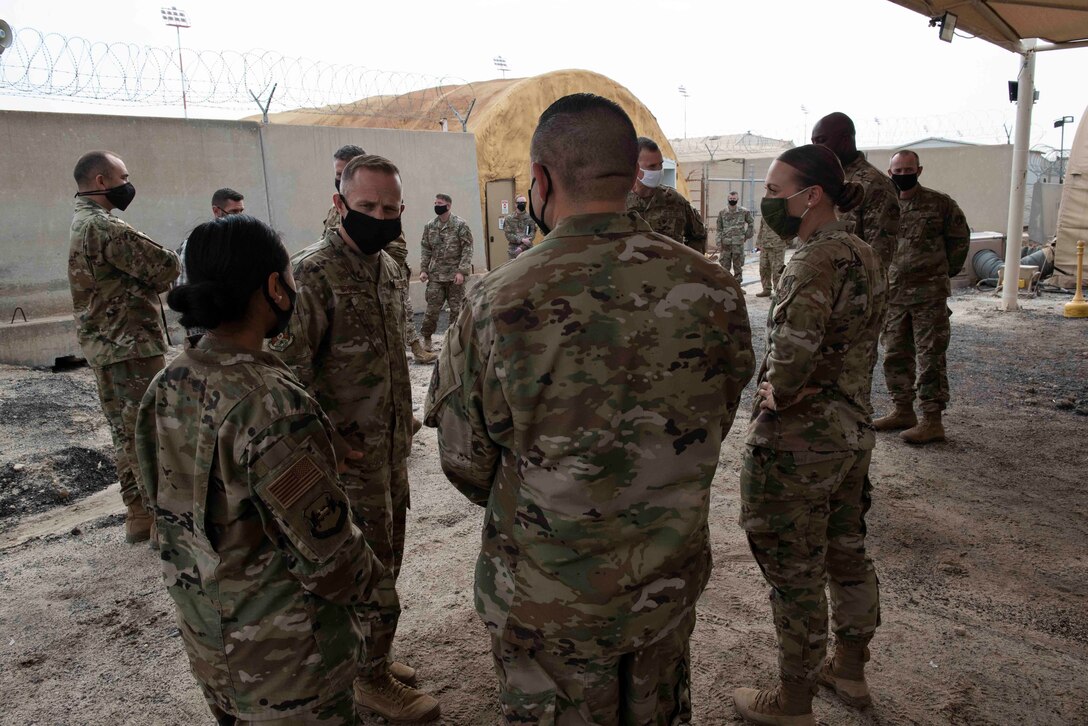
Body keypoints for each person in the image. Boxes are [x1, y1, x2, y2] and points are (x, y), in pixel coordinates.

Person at [425, 93, 754, 724]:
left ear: (540, 180)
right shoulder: (712, 287)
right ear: (633, 175)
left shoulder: (498, 300)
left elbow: (464, 458)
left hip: (549, 591)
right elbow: (718, 412)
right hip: (663, 583)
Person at [136, 214, 383, 725]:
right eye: (289, 275)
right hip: (289, 665)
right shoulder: (270, 403)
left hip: (211, 645)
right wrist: (378, 594)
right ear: (274, 286)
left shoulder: (168, 383)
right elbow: (328, 553)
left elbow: (159, 505)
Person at [270, 154, 441, 723]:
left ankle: (373, 657)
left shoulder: (388, 268)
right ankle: (366, 678)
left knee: (387, 558)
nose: (379, 217)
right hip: (345, 461)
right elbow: (284, 375)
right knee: (359, 572)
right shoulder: (312, 274)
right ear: (339, 203)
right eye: (367, 206)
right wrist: (329, 446)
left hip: (388, 451)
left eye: (390, 209)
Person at [733, 144, 886, 726]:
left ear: (811, 195)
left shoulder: (813, 261)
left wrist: (773, 393)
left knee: (794, 573)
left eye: (776, 192)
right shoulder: (862, 251)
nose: (769, 202)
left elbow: (791, 362)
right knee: (847, 554)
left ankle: (792, 701)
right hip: (851, 433)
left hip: (801, 446)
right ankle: (849, 669)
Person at [67, 150, 180, 545]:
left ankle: (139, 515)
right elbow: (165, 266)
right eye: (124, 177)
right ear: (102, 181)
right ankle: (163, 523)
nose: (128, 184)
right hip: (130, 345)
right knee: (148, 434)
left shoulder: (81, 222)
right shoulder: (104, 227)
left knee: (125, 434)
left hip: (107, 347)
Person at [873, 149, 970, 444]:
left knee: (930, 356)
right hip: (893, 295)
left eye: (908, 170)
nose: (903, 175)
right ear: (890, 173)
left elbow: (959, 240)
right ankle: (903, 410)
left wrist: (941, 272)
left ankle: (932, 420)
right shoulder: (884, 207)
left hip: (928, 295)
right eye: (898, 171)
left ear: (919, 170)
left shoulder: (939, 204)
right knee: (894, 354)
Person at [812, 112, 900, 269]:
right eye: (813, 142)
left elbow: (878, 257)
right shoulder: (822, 179)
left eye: (821, 140)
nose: (816, 148)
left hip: (849, 280)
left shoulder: (876, 184)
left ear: (845, 140)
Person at [177, 188, 246, 345]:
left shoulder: (241, 242)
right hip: (205, 327)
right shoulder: (197, 244)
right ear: (216, 211)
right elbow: (183, 286)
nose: (239, 217)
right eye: (234, 212)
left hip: (237, 325)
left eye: (241, 211)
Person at [625, 136, 708, 253]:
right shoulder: (616, 203)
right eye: (652, 166)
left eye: (660, 164)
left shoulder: (675, 201)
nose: (659, 170)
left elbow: (699, 235)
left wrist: (686, 260)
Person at [418, 193, 473, 351]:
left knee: (456, 311)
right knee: (432, 310)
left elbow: (467, 249)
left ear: (448, 206)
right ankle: (427, 338)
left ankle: (452, 341)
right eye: (435, 203)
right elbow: (426, 248)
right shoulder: (430, 226)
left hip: (455, 276)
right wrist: (424, 270)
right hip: (436, 275)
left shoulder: (460, 225)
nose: (436, 205)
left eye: (439, 203)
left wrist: (462, 271)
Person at [322, 144, 367, 235]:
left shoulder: (375, 208)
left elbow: (394, 245)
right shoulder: (336, 207)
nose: (342, 180)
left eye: (347, 174)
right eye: (339, 174)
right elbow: (326, 238)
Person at [716, 190, 754, 289]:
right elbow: (719, 229)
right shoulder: (722, 212)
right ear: (728, 199)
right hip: (726, 244)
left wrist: (747, 235)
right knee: (725, 267)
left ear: (737, 199)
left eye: (734, 198)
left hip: (738, 244)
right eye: (730, 198)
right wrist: (718, 242)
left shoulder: (744, 212)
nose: (732, 200)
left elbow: (751, 222)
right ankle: (725, 287)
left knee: (738, 267)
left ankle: (737, 288)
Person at [755, 219, 789, 298]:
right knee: (763, 268)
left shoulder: (782, 215)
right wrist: (758, 243)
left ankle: (778, 291)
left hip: (777, 245)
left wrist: (786, 242)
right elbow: (761, 229)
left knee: (777, 269)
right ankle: (766, 289)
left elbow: (788, 228)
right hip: (765, 245)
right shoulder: (765, 215)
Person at [502, 194, 537, 258]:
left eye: (524, 203)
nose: (522, 204)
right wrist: (522, 240)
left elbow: (531, 235)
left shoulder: (531, 218)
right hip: (513, 251)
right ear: (515, 204)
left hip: (527, 251)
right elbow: (508, 235)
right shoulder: (509, 219)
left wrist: (521, 248)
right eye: (520, 203)